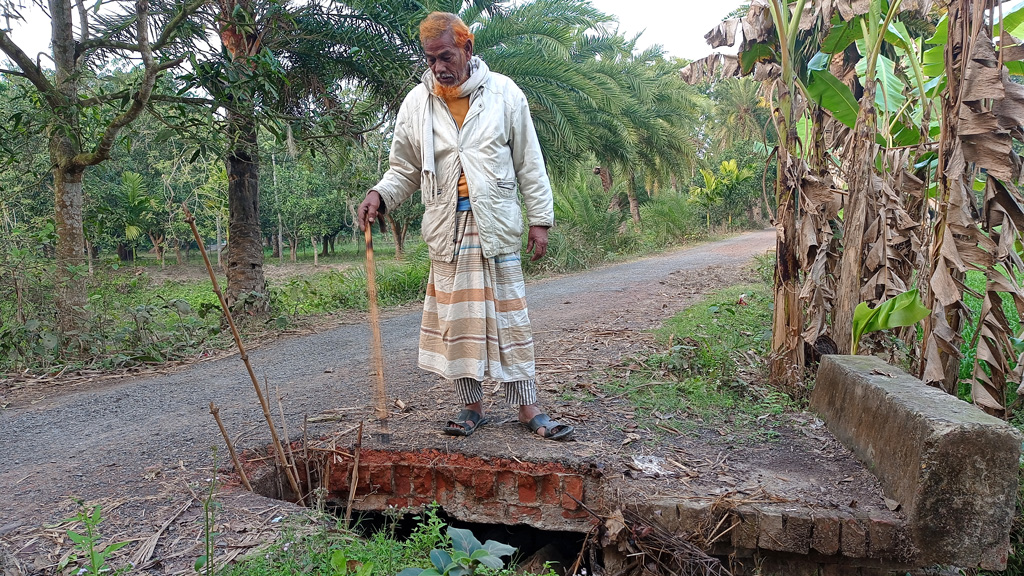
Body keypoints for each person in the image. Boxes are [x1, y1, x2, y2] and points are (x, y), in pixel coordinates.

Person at [357, 11, 573, 441]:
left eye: (447, 56)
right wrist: (380, 194)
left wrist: (540, 220)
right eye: (432, 58)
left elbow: (529, 161)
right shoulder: (417, 104)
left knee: (509, 320)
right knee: (459, 322)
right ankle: (471, 407)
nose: (439, 66)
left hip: (495, 223)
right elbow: (404, 168)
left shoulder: (505, 94)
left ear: (467, 49)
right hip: (445, 226)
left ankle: (528, 408)